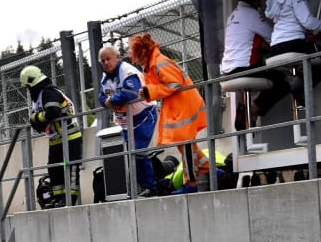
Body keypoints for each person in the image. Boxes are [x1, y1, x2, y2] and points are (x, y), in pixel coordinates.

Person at [129, 34, 209, 193]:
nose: (137, 61)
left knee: (185, 145)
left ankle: (192, 184)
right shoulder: (153, 64)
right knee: (186, 145)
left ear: (145, 51)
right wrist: (148, 91)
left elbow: (175, 84)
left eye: (138, 56)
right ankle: (212, 172)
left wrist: (150, 91)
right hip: (182, 105)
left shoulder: (158, 63)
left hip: (184, 105)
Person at [221, 0, 290, 132]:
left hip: (228, 71)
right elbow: (274, 37)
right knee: (283, 81)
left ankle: (249, 113)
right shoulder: (252, 14)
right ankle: (253, 109)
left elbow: (247, 40)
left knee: (270, 76)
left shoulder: (232, 16)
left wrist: (261, 45)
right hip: (245, 68)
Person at [96, 45, 158, 197]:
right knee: (124, 154)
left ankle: (150, 187)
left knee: (137, 151)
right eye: (103, 60)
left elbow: (130, 92)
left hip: (143, 115)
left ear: (117, 57)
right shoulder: (105, 77)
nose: (106, 63)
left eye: (108, 59)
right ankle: (134, 188)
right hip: (124, 120)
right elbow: (101, 96)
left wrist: (112, 101)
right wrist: (108, 102)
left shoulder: (127, 71)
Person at [20, 65, 84, 207]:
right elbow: (37, 125)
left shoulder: (49, 93)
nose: (28, 90)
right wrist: (37, 119)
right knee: (54, 169)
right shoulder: (38, 99)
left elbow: (53, 112)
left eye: (27, 87)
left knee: (70, 167)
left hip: (70, 136)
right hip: (55, 139)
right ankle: (58, 198)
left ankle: (70, 200)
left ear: (32, 83)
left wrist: (36, 117)